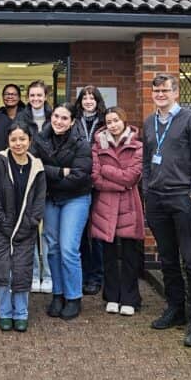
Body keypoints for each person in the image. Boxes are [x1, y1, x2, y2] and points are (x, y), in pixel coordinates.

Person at [142, 73, 191, 348]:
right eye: (156, 90)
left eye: (165, 90)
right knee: (167, 259)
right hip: (157, 199)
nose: (160, 94)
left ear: (175, 93)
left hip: (182, 197)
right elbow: (147, 160)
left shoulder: (190, 120)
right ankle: (175, 308)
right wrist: (147, 189)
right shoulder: (149, 122)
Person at [0, 122, 46, 332]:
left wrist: (31, 223)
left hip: (25, 230)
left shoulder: (37, 166)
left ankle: (21, 314)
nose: (18, 143)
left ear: (29, 141)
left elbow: (39, 199)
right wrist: (1, 220)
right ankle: (4, 313)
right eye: (14, 139)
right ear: (8, 141)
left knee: (21, 271)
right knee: (3, 272)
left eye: (22, 139)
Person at [32, 104, 93, 320]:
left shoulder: (81, 144)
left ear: (72, 122)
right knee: (53, 248)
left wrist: (49, 177)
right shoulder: (40, 139)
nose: (59, 121)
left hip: (75, 199)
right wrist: (60, 172)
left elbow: (80, 176)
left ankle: (73, 297)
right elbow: (33, 167)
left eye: (64, 118)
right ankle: (57, 295)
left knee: (68, 248)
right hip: (50, 199)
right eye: (56, 116)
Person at [90, 106, 144, 316]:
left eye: (116, 120)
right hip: (106, 204)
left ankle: (130, 298)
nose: (112, 125)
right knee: (109, 254)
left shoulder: (137, 146)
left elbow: (133, 177)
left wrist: (107, 170)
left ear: (124, 120)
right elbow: (95, 177)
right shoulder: (97, 146)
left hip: (129, 204)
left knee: (130, 254)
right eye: (109, 122)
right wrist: (120, 181)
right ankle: (111, 296)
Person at [14, 80, 53, 292]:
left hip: (50, 182)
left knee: (47, 233)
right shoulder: (21, 118)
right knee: (30, 230)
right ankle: (34, 274)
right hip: (27, 180)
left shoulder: (54, 117)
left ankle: (47, 275)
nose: (36, 99)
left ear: (45, 96)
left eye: (39, 95)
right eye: (32, 95)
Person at [72, 85, 108, 296]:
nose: (88, 101)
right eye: (84, 97)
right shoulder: (73, 121)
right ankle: (84, 275)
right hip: (78, 182)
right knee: (81, 232)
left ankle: (97, 276)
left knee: (97, 233)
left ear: (97, 101)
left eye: (91, 98)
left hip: (99, 184)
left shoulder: (105, 122)